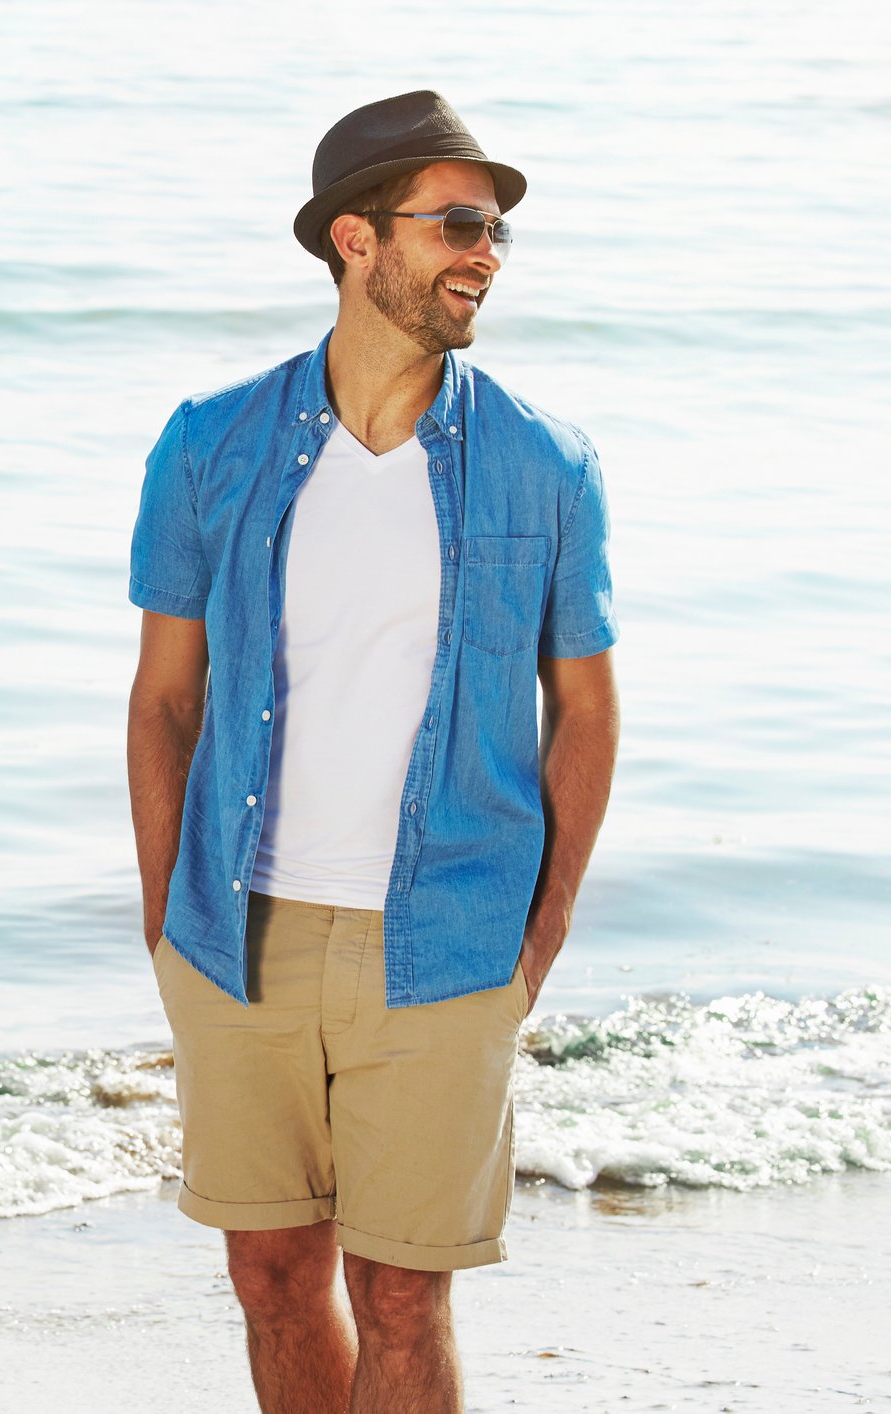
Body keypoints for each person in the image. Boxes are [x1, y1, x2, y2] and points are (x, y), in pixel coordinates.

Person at [124, 90, 621, 1413]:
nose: (485, 254)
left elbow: (584, 708)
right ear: (353, 238)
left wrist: (542, 933)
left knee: (403, 1291)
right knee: (271, 1271)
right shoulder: (207, 445)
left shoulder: (544, 465)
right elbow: (164, 697)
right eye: (456, 222)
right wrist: (164, 916)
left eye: (497, 229)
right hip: (240, 931)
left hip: (448, 936)